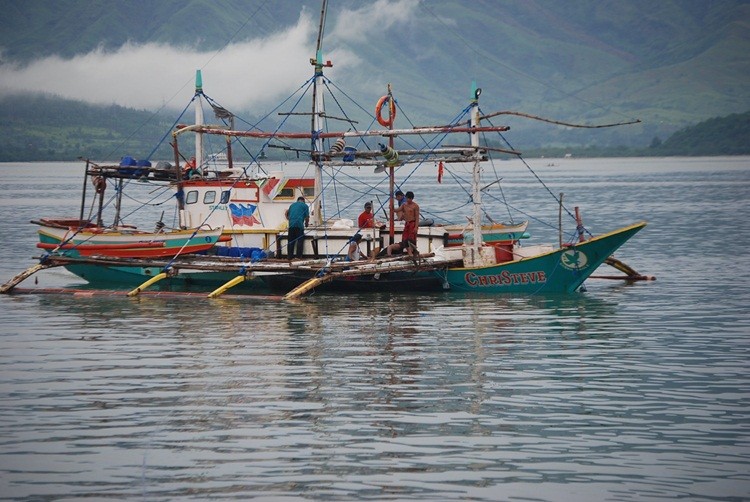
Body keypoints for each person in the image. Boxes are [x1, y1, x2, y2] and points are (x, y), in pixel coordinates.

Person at [386, 191, 419, 257]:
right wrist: (392, 208)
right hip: (407, 224)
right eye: (407, 198)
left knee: (411, 239)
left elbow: (417, 218)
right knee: (404, 238)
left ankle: (413, 252)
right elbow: (397, 210)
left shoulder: (415, 206)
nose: (408, 200)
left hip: (412, 223)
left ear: (412, 199)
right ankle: (409, 252)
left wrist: (416, 227)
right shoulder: (404, 205)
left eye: (410, 199)